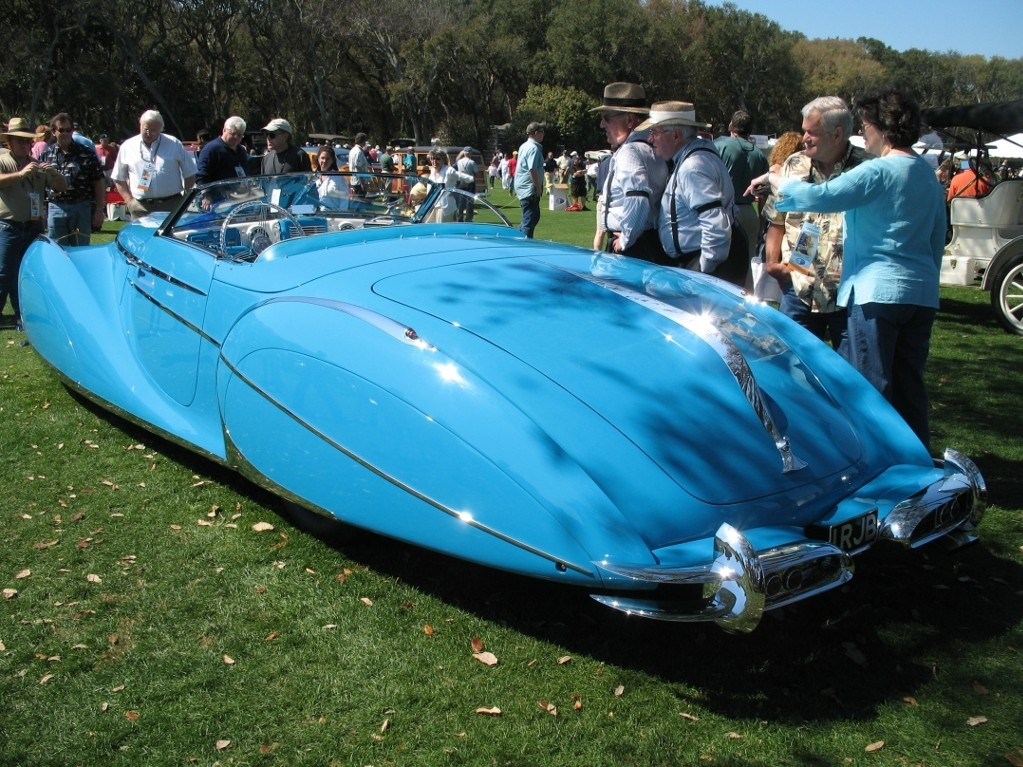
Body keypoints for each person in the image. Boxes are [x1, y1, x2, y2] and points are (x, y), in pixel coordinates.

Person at [752, 86, 946, 449]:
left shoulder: (878, 171)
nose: (864, 132)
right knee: (909, 385)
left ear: (882, 128)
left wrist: (773, 178)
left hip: (877, 295)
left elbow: (817, 197)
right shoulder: (926, 175)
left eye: (867, 125)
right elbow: (938, 238)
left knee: (870, 386)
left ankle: (873, 458)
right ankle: (917, 458)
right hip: (920, 295)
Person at [762, 97, 869, 351]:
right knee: (794, 370)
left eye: (812, 132)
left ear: (838, 134)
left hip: (849, 294)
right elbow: (776, 220)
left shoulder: (866, 168)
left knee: (848, 376)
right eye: (804, 130)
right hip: (798, 288)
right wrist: (772, 263)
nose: (805, 137)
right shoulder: (794, 164)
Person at [642, 100, 744, 284]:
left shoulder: (693, 167)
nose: (650, 139)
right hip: (707, 259)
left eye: (655, 132)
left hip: (708, 265)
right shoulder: (695, 158)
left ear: (676, 135)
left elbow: (715, 225)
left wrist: (702, 269)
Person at [1, 117, 67, 329]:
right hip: (9, 226)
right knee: (4, 272)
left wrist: (55, 174)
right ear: (9, 142)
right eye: (18, 141)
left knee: (27, 272)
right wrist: (19, 175)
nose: (23, 144)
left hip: (33, 226)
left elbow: (62, 187)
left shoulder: (37, 164)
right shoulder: (3, 160)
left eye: (26, 141)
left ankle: (25, 315)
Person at [591, 82, 668, 261]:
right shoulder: (651, 149)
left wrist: (625, 239)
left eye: (607, 118)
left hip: (633, 247)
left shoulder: (630, 153)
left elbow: (638, 199)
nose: (602, 124)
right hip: (647, 242)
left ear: (630, 120)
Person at [111, 110, 195, 219]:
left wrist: (186, 199)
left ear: (161, 129)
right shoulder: (127, 146)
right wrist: (129, 201)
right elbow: (118, 177)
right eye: (145, 129)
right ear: (140, 126)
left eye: (153, 130)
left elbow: (190, 173)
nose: (148, 133)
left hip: (172, 205)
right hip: (140, 207)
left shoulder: (174, 144)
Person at [40, 112, 106, 246]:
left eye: (68, 130)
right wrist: (41, 210)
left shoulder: (86, 153)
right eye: (61, 130)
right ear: (53, 132)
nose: (65, 133)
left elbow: (98, 182)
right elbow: (40, 184)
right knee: (57, 250)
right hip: (56, 207)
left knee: (80, 250)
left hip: (81, 207)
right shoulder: (46, 155)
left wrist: (99, 210)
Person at [715, 110, 768, 273]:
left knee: (721, 263)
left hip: (723, 212)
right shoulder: (759, 155)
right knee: (747, 264)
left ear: (730, 125)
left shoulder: (719, 146)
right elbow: (764, 195)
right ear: (750, 130)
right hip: (749, 213)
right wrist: (761, 223)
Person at [195, 116, 249, 209]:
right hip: (215, 201)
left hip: (238, 199)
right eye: (233, 134)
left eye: (240, 135)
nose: (236, 138)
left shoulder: (241, 150)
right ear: (224, 130)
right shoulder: (211, 149)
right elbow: (201, 176)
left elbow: (246, 172)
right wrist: (206, 196)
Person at [514, 122, 545, 237]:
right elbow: (532, 169)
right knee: (529, 220)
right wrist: (537, 188)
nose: (543, 135)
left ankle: (517, 237)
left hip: (522, 187)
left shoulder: (524, 146)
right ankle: (525, 245)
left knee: (533, 217)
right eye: (542, 132)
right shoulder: (533, 149)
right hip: (529, 188)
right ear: (535, 133)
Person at [426, 148, 473, 222]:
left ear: (443, 160)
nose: (434, 161)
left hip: (445, 208)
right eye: (432, 158)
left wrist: (455, 190)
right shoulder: (432, 171)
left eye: (437, 159)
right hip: (432, 206)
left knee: (442, 231)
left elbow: (469, 178)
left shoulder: (449, 170)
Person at [314, 146, 349, 210]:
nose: (324, 161)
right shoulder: (313, 177)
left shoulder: (338, 178)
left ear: (332, 160)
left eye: (328, 159)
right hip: (316, 216)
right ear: (318, 159)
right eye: (322, 158)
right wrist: (294, 210)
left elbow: (344, 201)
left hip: (332, 216)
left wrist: (341, 217)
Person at [454, 146, 477, 222]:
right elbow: (476, 172)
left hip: (460, 182)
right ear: (470, 153)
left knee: (460, 201)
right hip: (470, 182)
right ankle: (468, 218)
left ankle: (459, 217)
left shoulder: (458, 162)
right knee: (470, 201)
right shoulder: (472, 162)